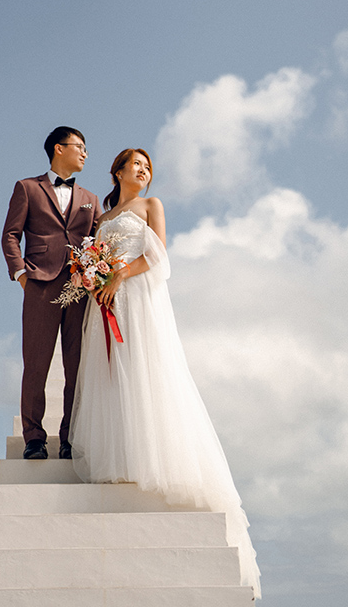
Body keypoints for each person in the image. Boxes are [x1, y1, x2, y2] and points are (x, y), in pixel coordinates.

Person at [69, 148, 261, 598]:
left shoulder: (151, 206)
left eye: (148, 166)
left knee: (147, 369)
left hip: (139, 299)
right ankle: (119, 454)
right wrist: (96, 280)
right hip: (106, 305)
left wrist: (120, 276)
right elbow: (91, 257)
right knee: (109, 377)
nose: (143, 171)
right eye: (135, 164)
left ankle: (151, 453)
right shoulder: (102, 216)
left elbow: (160, 255)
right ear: (117, 171)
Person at [2, 126, 102, 460]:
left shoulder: (90, 199)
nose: (85, 153)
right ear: (59, 149)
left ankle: (70, 436)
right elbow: (10, 235)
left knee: (77, 366)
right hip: (40, 285)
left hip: (79, 290)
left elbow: (100, 243)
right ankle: (34, 437)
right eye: (80, 147)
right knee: (36, 363)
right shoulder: (27, 188)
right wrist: (21, 274)